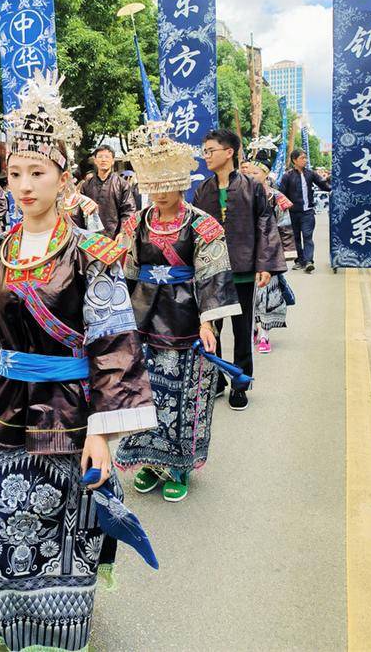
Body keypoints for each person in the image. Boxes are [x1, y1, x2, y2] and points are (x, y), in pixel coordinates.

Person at [0, 71, 156, 651]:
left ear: (64, 179)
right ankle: (2, 621)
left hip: (73, 409)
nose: (23, 185)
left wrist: (104, 432)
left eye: (37, 173)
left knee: (64, 521)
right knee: (2, 518)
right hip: (10, 407)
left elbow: (114, 343)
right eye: (15, 173)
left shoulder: (92, 254)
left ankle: (58, 627)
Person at [115, 121, 241, 502]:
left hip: (186, 316)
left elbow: (212, 272)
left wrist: (208, 321)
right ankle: (148, 462)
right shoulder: (136, 223)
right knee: (144, 392)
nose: (159, 194)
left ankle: (179, 465)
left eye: (166, 185)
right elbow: (127, 272)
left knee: (185, 394)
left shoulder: (203, 225)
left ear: (182, 182)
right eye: (152, 186)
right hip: (143, 318)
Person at [194, 129, 286, 411]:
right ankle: (216, 381)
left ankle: (240, 383)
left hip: (244, 270)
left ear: (229, 152)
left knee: (243, 330)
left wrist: (266, 265)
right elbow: (194, 230)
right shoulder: (202, 190)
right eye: (204, 151)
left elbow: (265, 224)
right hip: (212, 273)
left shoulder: (252, 187)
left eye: (210, 150)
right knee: (211, 329)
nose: (206, 156)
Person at [248, 140, 296, 355]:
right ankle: (254, 327)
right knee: (250, 295)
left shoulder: (276, 198)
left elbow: (284, 227)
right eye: (249, 173)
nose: (252, 177)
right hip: (247, 252)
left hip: (269, 251)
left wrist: (286, 254)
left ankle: (265, 333)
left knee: (266, 293)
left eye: (256, 173)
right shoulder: (241, 194)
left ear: (266, 175)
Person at [278, 149, 331, 273]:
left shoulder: (310, 174)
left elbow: (322, 184)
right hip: (293, 213)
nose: (305, 160)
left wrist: (333, 189)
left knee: (307, 236)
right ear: (294, 160)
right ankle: (299, 261)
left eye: (305, 158)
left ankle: (308, 261)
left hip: (308, 212)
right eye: (302, 158)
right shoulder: (287, 176)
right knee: (296, 238)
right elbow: (281, 194)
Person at [80, 144, 136, 239]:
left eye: (107, 157)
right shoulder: (86, 185)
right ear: (95, 161)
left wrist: (123, 232)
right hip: (91, 237)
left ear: (113, 161)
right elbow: (79, 211)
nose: (103, 160)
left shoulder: (122, 184)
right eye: (100, 157)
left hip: (114, 236)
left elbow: (129, 211)